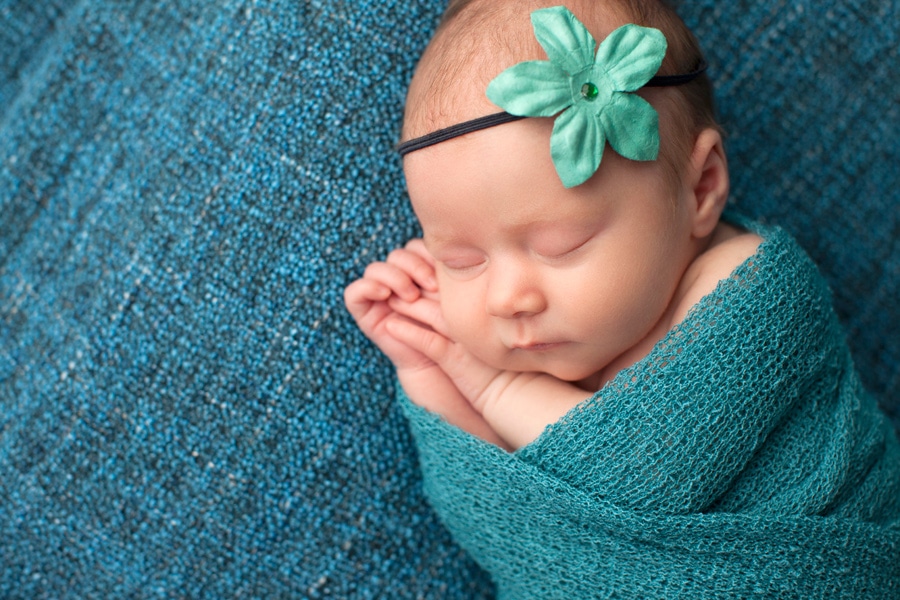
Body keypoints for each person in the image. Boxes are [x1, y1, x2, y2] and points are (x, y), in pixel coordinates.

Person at [344, 0, 761, 451]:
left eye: (561, 245)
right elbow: (506, 493)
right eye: (460, 261)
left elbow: (648, 466)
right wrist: (427, 364)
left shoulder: (744, 284)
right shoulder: (533, 353)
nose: (506, 300)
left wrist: (494, 388)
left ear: (700, 189)